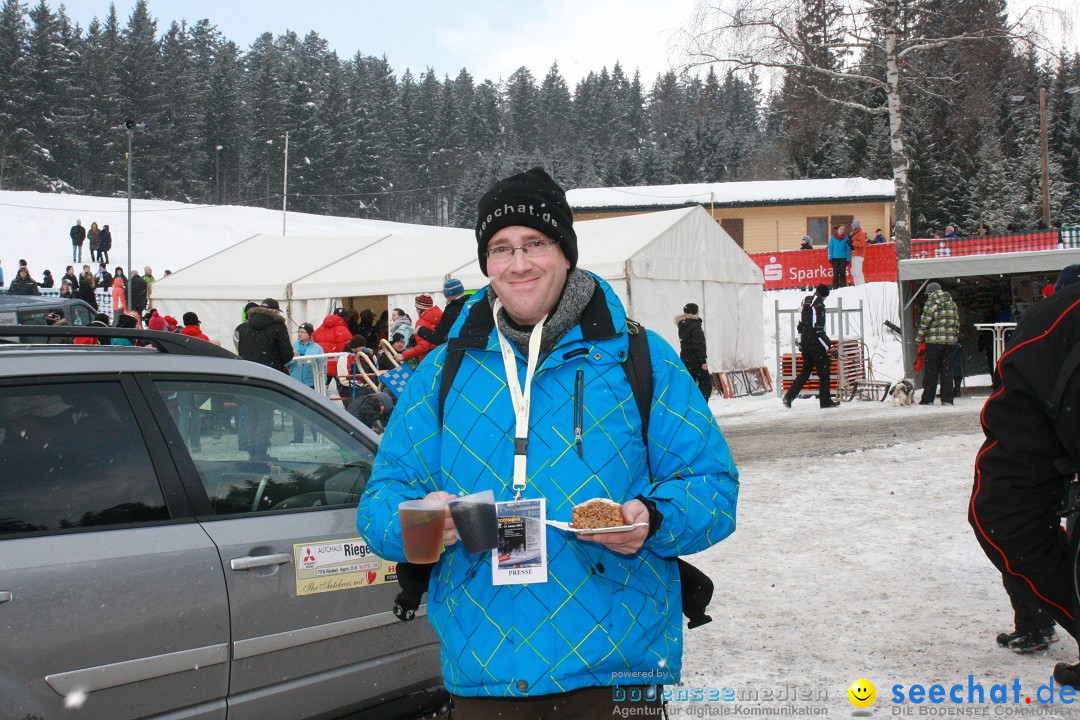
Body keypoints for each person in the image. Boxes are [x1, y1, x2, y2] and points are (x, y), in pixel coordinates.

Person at [355, 166, 739, 715]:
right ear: (485, 263)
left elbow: (713, 489)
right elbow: (379, 503)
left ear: (565, 251)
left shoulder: (639, 357)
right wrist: (418, 522)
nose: (518, 263)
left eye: (535, 243)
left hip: (614, 668)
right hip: (486, 670)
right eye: (500, 248)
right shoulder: (443, 370)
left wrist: (652, 518)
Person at [969, 266, 1080, 687]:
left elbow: (1005, 510)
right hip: (1047, 458)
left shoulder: (1047, 328)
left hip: (1039, 466)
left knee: (1013, 521)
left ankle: (1033, 624)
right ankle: (1032, 621)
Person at [236, 298, 293, 460]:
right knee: (265, 416)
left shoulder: (244, 327)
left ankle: (252, 450)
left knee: (252, 415)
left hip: (248, 377)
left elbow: (241, 352)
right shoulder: (277, 327)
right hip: (268, 376)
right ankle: (261, 451)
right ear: (275, 311)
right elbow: (287, 354)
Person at [783, 284, 839, 409]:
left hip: (806, 343)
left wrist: (800, 341)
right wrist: (830, 346)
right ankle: (825, 402)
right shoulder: (819, 307)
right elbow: (818, 330)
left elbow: (801, 325)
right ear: (824, 296)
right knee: (824, 372)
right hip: (816, 345)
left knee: (805, 372)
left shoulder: (806, 301)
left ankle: (789, 397)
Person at [915, 282, 958, 405]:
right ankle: (947, 399)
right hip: (950, 343)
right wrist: (953, 337)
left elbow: (925, 322)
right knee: (947, 371)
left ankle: (928, 399)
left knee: (931, 371)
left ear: (930, 293)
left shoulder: (931, 302)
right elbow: (956, 322)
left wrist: (919, 338)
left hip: (934, 343)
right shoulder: (951, 302)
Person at [288, 322, 320, 443]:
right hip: (295, 382)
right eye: (299, 332)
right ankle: (298, 438)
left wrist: (323, 381)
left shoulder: (317, 348)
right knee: (296, 412)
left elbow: (323, 364)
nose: (300, 334)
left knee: (313, 412)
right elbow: (286, 363)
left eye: (302, 332)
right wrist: (292, 357)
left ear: (309, 334)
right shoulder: (293, 346)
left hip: (311, 383)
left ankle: (316, 437)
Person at [676, 302, 712, 400]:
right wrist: (703, 361)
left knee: (689, 385)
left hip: (685, 358)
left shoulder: (682, 325)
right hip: (695, 359)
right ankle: (702, 405)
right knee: (706, 384)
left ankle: (690, 406)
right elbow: (698, 345)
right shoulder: (695, 325)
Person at [313, 311, 354, 393]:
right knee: (345, 391)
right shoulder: (343, 331)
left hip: (322, 365)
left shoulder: (317, 331)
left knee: (320, 391)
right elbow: (346, 350)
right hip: (337, 365)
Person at [421, 277, 468, 347]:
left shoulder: (452, 310)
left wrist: (420, 330)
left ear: (449, 295)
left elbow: (438, 338)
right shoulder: (473, 304)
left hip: (460, 349)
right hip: (481, 350)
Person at [400, 294, 442, 365]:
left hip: (428, 361)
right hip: (442, 356)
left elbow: (423, 347)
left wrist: (404, 356)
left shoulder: (422, 322)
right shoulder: (443, 317)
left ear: (419, 309)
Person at [828, 224, 849, 288]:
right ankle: (835, 288)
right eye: (841, 229)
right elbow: (830, 248)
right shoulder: (833, 238)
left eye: (843, 229)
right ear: (837, 230)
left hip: (843, 258)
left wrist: (848, 259)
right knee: (836, 274)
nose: (842, 230)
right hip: (835, 258)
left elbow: (848, 249)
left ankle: (843, 287)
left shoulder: (846, 238)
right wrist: (830, 257)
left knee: (843, 274)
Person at [849, 220, 868, 286]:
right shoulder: (854, 234)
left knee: (857, 271)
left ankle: (861, 285)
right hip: (854, 254)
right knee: (854, 271)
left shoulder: (861, 234)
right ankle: (857, 285)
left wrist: (852, 243)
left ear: (856, 227)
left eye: (853, 226)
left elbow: (861, 243)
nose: (852, 228)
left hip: (859, 254)